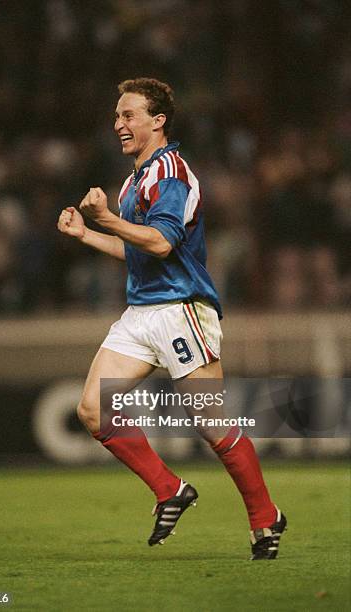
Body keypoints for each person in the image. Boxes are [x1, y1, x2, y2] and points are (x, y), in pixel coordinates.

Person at [57, 78, 286, 559]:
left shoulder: (171, 174)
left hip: (182, 308)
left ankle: (266, 519)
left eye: (129, 115)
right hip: (142, 310)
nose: (119, 124)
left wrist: (107, 220)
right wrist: (87, 236)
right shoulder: (133, 180)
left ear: (157, 121)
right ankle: (170, 490)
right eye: (117, 116)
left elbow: (161, 242)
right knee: (93, 410)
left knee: (211, 424)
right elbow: (137, 252)